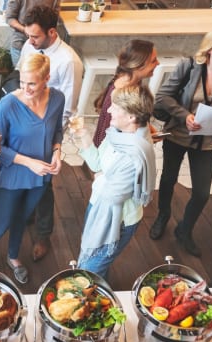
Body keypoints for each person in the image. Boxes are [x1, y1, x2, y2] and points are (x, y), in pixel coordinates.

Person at [150, 26, 212, 258]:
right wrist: (185, 116)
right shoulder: (189, 66)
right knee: (168, 179)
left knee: (202, 192)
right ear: (210, 48)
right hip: (178, 134)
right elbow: (163, 97)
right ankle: (163, 215)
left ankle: (184, 230)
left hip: (207, 140)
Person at [0, 53, 64, 284]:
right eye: (22, 82)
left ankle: (13, 257)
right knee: (0, 224)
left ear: (47, 79)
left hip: (40, 178)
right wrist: (29, 162)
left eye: (31, 83)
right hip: (14, 176)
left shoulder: (58, 99)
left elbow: (57, 131)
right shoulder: (7, 105)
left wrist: (57, 152)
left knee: (22, 219)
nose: (25, 88)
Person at [18, 4, 83, 261]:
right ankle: (26, 214)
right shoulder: (30, 46)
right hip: (24, 126)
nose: (29, 40)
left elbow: (68, 107)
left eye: (35, 36)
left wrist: (54, 141)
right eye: (28, 35)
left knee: (43, 185)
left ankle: (43, 234)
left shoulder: (69, 61)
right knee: (23, 174)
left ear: (53, 33)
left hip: (46, 132)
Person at [74, 85, 156, 280]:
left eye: (115, 107)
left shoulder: (134, 153)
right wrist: (83, 134)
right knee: (96, 269)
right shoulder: (116, 134)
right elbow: (96, 165)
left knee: (86, 273)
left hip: (117, 220)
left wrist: (103, 177)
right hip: (98, 206)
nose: (109, 109)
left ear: (131, 117)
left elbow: (112, 194)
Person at [92, 39, 160, 147]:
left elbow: (135, 115)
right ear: (138, 66)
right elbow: (106, 136)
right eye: (153, 61)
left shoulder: (132, 82)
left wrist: (148, 129)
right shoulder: (119, 97)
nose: (158, 63)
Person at [4, 0, 58, 65]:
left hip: (45, 47)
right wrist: (25, 30)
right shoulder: (28, 43)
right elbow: (9, 18)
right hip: (20, 44)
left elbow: (54, 17)